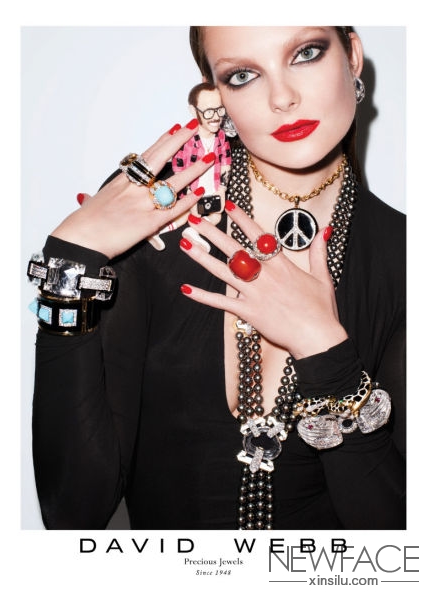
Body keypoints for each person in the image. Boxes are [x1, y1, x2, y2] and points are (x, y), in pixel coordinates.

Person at [29, 26, 405, 530]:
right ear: (216, 93)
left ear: (353, 56)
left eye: (306, 53)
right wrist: (70, 261)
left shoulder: (407, 257)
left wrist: (325, 351)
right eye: (243, 75)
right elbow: (73, 513)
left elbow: (398, 541)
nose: (282, 98)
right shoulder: (155, 221)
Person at [148, 82, 231, 251]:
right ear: (194, 111)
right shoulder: (188, 140)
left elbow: (226, 163)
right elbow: (178, 168)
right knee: (187, 212)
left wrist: (222, 189)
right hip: (192, 189)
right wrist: (188, 193)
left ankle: (193, 232)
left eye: (220, 110)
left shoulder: (221, 137)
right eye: (209, 111)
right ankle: (157, 231)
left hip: (213, 188)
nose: (216, 117)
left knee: (215, 216)